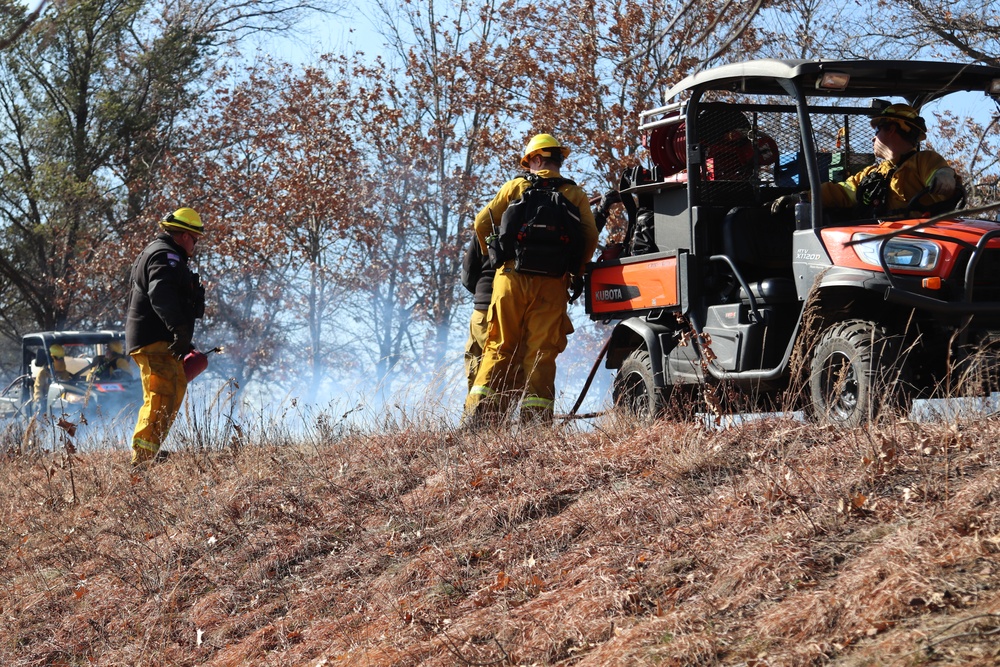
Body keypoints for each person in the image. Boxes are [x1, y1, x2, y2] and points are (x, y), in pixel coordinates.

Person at [462, 133, 599, 427]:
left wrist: (496, 254)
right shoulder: (574, 194)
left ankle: (480, 418)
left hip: (510, 279)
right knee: (542, 353)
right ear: (558, 159)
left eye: (530, 162)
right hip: (552, 283)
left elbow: (480, 222)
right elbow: (590, 236)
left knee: (499, 346)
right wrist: (576, 270)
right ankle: (535, 425)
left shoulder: (516, 186)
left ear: (536, 159)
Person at [125, 207, 206, 466]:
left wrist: (183, 339)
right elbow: (161, 294)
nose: (195, 244)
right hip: (154, 339)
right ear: (184, 235)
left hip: (160, 340)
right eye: (195, 238)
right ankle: (142, 459)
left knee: (172, 389)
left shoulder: (163, 254)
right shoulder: (165, 256)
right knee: (160, 395)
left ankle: (150, 450)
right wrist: (179, 330)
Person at [773, 104, 957, 216]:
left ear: (891, 129)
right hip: (874, 241)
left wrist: (944, 176)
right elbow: (841, 192)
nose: (873, 138)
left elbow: (940, 172)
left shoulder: (924, 160)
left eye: (876, 131)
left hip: (913, 243)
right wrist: (801, 198)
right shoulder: (872, 173)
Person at [33, 344, 72, 416]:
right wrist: (39, 400)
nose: (60, 361)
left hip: (61, 402)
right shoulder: (43, 373)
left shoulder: (65, 373)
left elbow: (67, 388)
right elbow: (38, 387)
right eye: (57, 358)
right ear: (51, 359)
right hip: (45, 402)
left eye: (61, 358)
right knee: (37, 409)